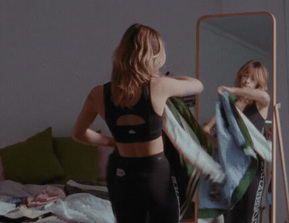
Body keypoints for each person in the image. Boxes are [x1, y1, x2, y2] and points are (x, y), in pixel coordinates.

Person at [72, 23, 204, 223]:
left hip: (123, 175)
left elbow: (79, 134)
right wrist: (166, 79)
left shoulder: (98, 93)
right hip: (155, 174)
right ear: (153, 54)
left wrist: (112, 142)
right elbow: (198, 85)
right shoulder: (159, 86)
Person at [203, 60, 270, 223]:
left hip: (252, 172)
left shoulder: (259, 105)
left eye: (252, 79)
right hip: (230, 171)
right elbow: (205, 130)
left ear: (258, 83)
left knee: (248, 219)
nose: (246, 81)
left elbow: (265, 96)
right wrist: (223, 147)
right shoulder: (228, 107)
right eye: (244, 76)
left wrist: (232, 90)